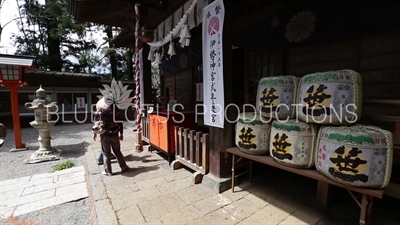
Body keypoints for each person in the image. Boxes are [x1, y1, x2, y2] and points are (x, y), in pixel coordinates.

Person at [93, 104, 130, 176]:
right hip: (115, 134)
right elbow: (120, 123)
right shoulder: (117, 111)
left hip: (105, 135)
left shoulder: (101, 111)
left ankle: (108, 171)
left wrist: (95, 133)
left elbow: (96, 123)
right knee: (117, 151)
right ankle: (123, 167)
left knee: (106, 154)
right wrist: (121, 134)